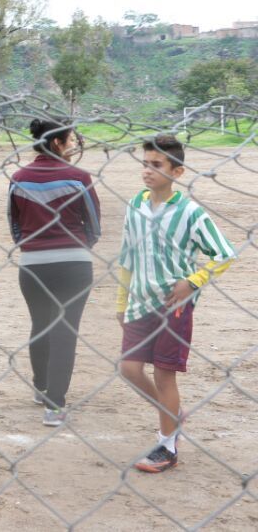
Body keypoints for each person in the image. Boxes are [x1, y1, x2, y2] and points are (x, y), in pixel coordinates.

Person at [116, 134, 236, 473]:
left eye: (157, 165)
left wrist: (192, 281)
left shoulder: (190, 213)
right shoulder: (135, 206)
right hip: (139, 304)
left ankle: (167, 447)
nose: (147, 171)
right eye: (145, 164)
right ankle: (173, 414)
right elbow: (127, 256)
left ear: (177, 172)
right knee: (129, 369)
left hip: (174, 308)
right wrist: (121, 301)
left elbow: (224, 254)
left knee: (165, 375)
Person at [9, 118, 101, 427]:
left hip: (32, 265)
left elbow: (15, 225)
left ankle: (41, 386)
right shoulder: (79, 177)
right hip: (74, 263)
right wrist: (76, 245)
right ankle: (55, 404)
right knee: (66, 330)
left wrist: (33, 246)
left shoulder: (19, 177)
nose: (74, 146)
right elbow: (94, 225)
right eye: (71, 140)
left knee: (41, 324)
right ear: (57, 144)